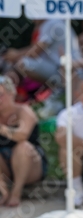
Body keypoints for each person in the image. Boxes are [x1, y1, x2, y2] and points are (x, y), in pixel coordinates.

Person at [0, 76, 48, 206]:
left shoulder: (24, 111)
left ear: (11, 94)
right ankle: (4, 191)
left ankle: (16, 192)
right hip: (6, 167)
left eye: (1, 95)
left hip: (31, 164)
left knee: (23, 147)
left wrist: (2, 129)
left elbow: (22, 136)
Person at [6, 19, 81, 86]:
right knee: (21, 63)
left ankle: (55, 91)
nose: (32, 19)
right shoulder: (54, 21)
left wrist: (15, 55)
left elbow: (34, 53)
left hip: (68, 72)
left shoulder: (51, 23)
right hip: (68, 69)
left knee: (22, 63)